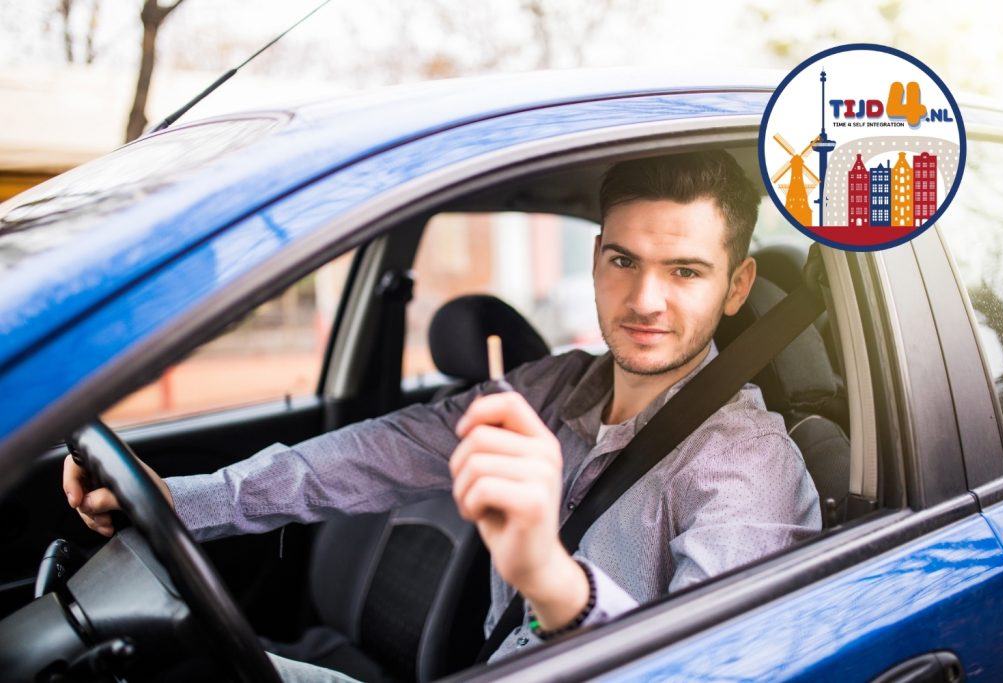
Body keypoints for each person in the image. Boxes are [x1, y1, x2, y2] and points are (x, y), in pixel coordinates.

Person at [64, 151, 821, 680]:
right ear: (595, 260)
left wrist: (554, 579)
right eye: (624, 261)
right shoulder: (558, 386)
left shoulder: (748, 465)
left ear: (735, 284)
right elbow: (378, 452)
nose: (646, 299)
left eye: (685, 271)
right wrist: (181, 500)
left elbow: (715, 666)